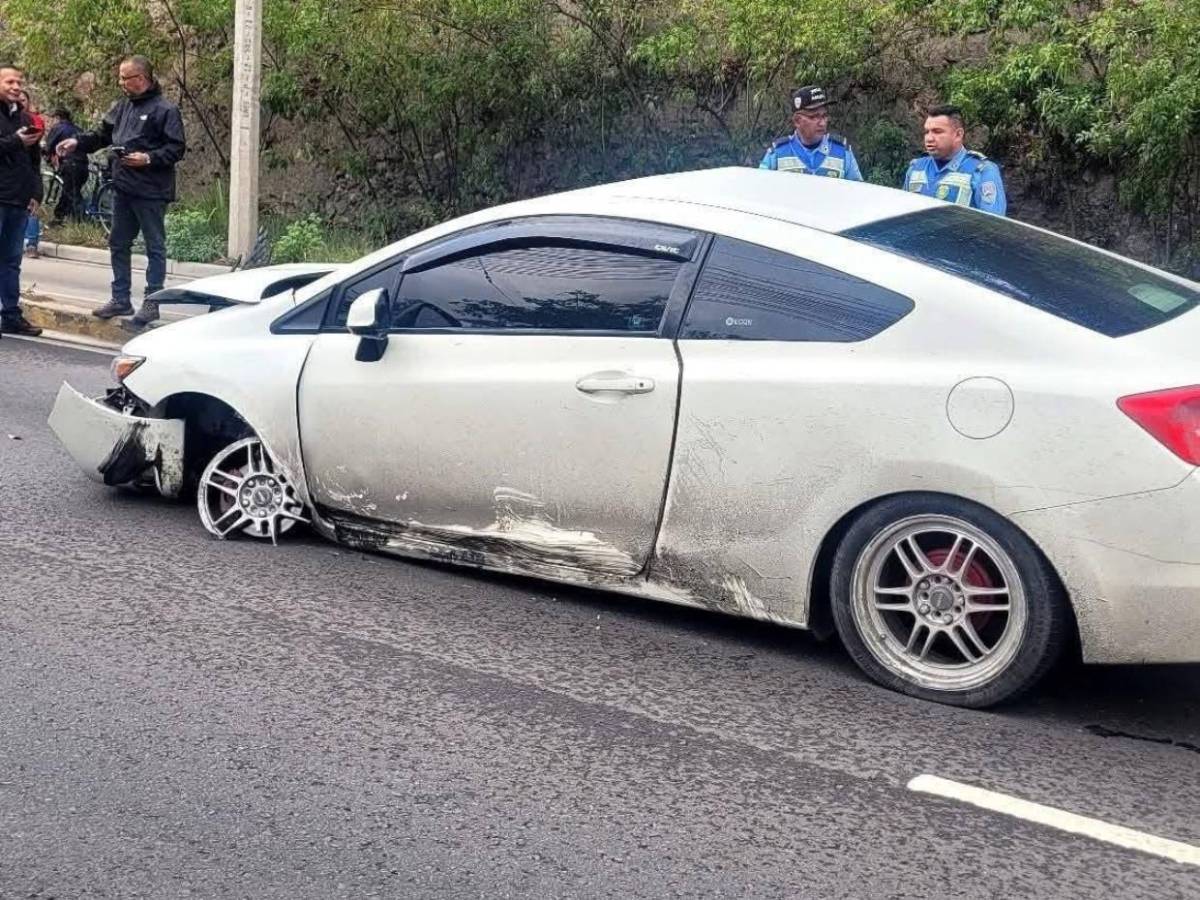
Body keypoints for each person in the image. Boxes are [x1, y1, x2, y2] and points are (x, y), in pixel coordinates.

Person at [56, 55, 185, 326]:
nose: (121, 83)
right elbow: (101, 135)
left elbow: (176, 148)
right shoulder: (122, 107)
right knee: (118, 243)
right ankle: (120, 299)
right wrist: (75, 143)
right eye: (120, 78)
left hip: (151, 189)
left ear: (141, 78)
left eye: (125, 78)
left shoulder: (165, 110)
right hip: (123, 187)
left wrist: (147, 158)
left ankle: (153, 301)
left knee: (154, 245)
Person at [0, 66, 44, 338]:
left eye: (19, 82)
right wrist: (15, 141)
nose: (16, 86)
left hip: (17, 199)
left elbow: (34, 161)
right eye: (9, 81)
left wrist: (36, 193)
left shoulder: (24, 117)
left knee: (11, 261)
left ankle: (11, 315)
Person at [903, 104, 1007, 216]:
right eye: (927, 132)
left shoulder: (982, 171)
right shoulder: (916, 168)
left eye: (937, 132)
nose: (929, 138)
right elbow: (902, 215)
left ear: (958, 134)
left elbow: (993, 226)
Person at [759, 85, 863, 181]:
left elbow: (858, 193)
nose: (822, 123)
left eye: (824, 115)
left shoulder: (842, 152)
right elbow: (760, 192)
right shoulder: (777, 154)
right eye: (814, 117)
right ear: (797, 121)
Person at [46, 106, 86, 224]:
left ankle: (81, 221)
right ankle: (60, 216)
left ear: (57, 117)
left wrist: (49, 158)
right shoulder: (78, 128)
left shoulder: (58, 128)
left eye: (50, 119)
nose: (49, 123)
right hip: (83, 165)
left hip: (70, 164)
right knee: (71, 191)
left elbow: (49, 147)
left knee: (72, 194)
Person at [18, 90, 44, 258]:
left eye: (23, 100)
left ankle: (31, 244)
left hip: (27, 173)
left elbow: (35, 159)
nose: (20, 103)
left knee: (31, 207)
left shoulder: (34, 121)